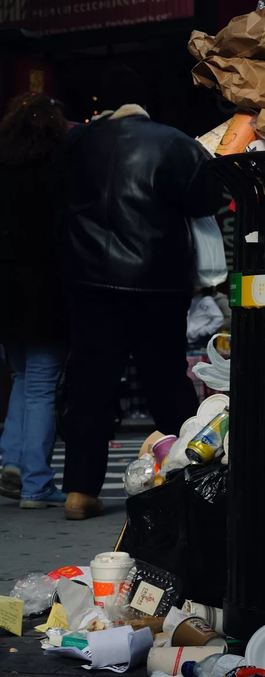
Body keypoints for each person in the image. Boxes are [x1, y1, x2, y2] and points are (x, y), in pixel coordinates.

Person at [58, 68, 224, 520]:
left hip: (89, 282)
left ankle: (79, 491)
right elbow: (205, 200)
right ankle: (186, 479)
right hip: (157, 282)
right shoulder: (173, 142)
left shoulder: (76, 144)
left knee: (91, 386)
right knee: (166, 382)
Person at [0, 94, 70, 508]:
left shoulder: (4, 171)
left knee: (23, 381)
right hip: (45, 287)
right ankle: (36, 483)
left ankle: (13, 463)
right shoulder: (58, 169)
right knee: (42, 385)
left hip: (6, 291)